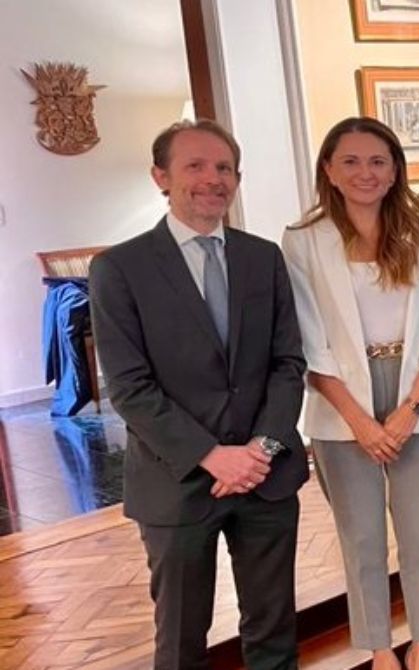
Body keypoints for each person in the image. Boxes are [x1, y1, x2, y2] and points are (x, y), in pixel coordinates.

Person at [89, 119, 307, 669]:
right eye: (195, 165)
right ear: (161, 176)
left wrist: (261, 451)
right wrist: (212, 456)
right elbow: (129, 387)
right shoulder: (119, 268)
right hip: (177, 483)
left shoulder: (263, 257)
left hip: (266, 477)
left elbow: (288, 364)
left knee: (274, 632)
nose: (213, 179)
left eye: (224, 168)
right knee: (181, 640)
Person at [281, 117, 419, 670]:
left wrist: (411, 408)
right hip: (340, 405)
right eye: (351, 161)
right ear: (329, 171)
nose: (366, 172)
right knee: (362, 539)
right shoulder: (303, 241)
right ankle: (381, 649)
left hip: (417, 396)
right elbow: (309, 343)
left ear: (395, 170)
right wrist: (359, 421)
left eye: (378, 161)